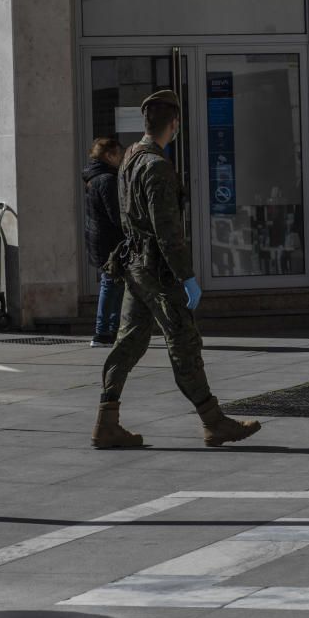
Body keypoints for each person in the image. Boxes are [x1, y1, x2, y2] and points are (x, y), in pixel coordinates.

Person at [92, 89, 261, 449]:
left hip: (134, 266)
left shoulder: (130, 159)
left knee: (130, 342)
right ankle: (214, 422)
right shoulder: (156, 166)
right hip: (157, 269)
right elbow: (167, 231)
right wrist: (186, 277)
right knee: (183, 341)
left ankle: (106, 420)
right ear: (174, 123)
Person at [83, 138, 126, 348]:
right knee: (111, 283)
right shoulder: (107, 179)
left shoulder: (94, 177)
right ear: (108, 155)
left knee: (113, 283)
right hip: (109, 240)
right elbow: (115, 213)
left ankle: (110, 329)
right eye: (118, 154)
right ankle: (102, 332)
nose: (121, 157)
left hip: (100, 238)